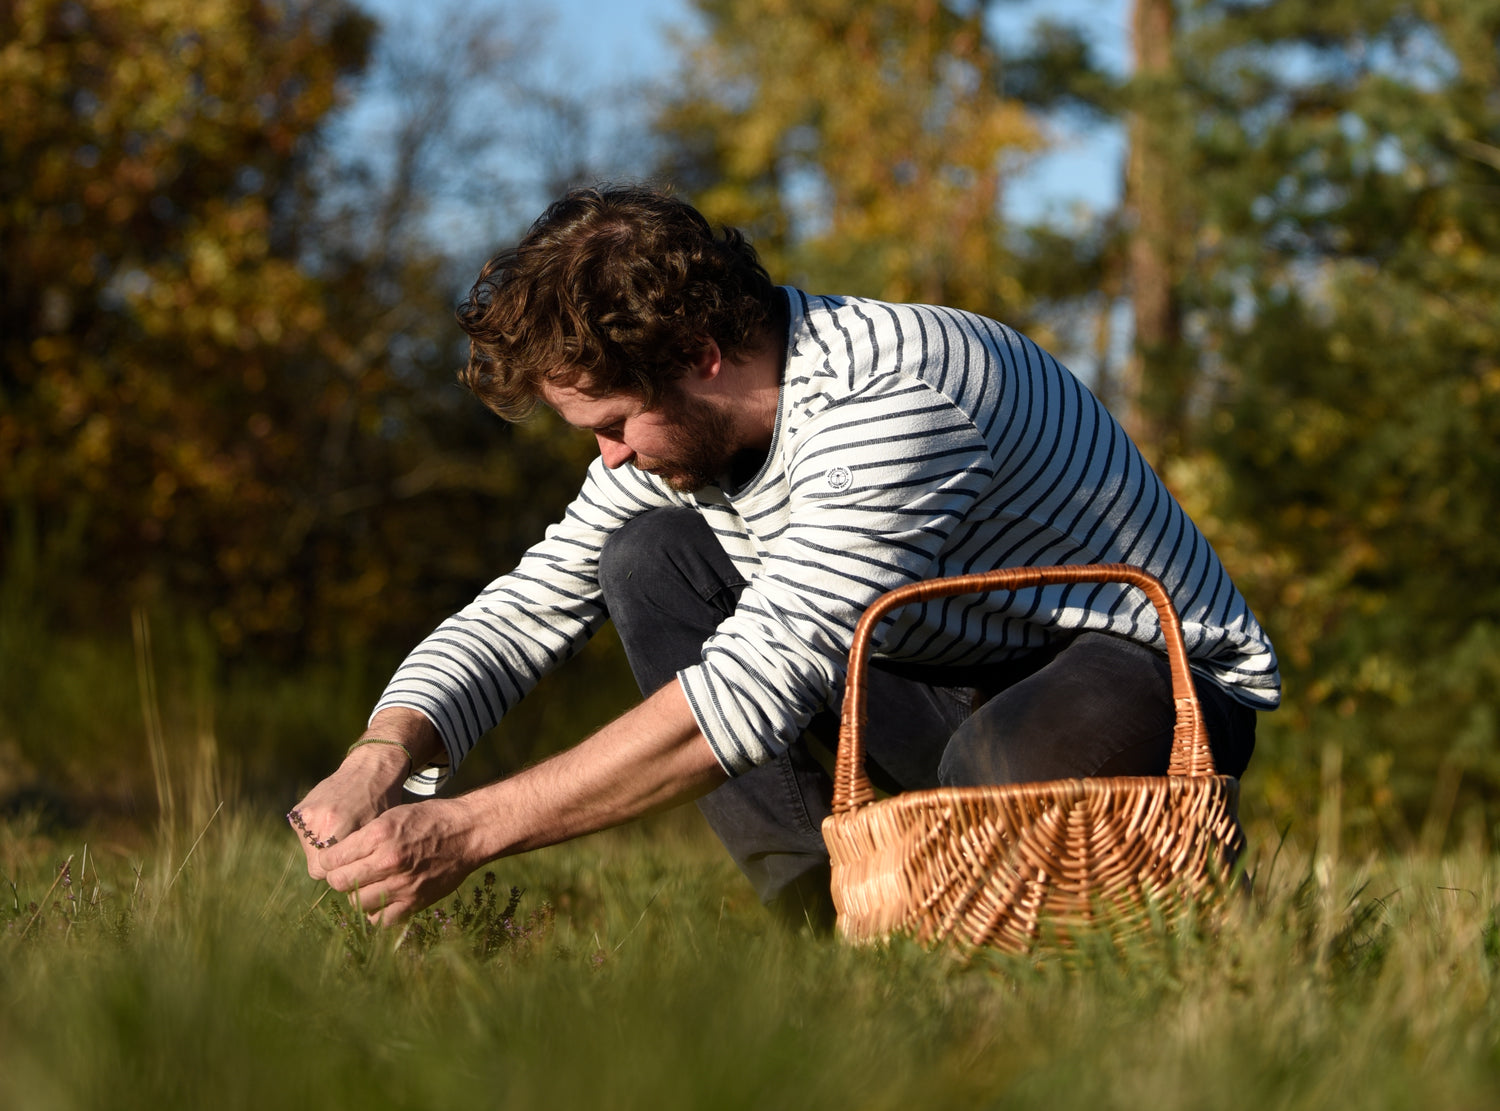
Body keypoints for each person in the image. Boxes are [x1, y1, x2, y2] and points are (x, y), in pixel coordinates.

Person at [289, 185, 1280, 929]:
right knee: (646, 555)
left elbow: (758, 683)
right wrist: (383, 755)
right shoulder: (669, 436)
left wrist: (465, 831)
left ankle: (1104, 902)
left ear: (701, 354)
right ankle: (824, 933)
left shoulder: (893, 398)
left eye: (616, 423)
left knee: (993, 776)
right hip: (944, 676)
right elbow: (526, 607)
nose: (611, 454)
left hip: (1147, 679)